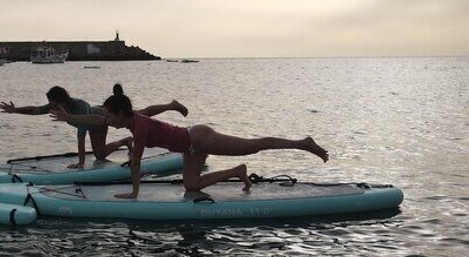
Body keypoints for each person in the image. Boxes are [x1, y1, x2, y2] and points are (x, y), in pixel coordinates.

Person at [51, 84, 329, 198]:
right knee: (191, 186)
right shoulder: (132, 118)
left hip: (200, 138)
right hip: (189, 147)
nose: (108, 121)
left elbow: (135, 163)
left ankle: (303, 143)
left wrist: (134, 193)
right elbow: (96, 120)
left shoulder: (141, 125)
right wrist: (68, 119)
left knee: (253, 145)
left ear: (121, 114)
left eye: (111, 116)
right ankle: (237, 172)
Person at [0, 85, 188, 168]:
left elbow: (82, 135)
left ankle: (171, 105)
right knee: (100, 155)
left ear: (61, 100)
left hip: (99, 121)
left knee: (141, 114)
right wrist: (14, 111)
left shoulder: (78, 106)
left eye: (53, 103)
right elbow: (35, 110)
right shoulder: (58, 106)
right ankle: (125, 140)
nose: (51, 106)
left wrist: (81, 163)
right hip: (99, 118)